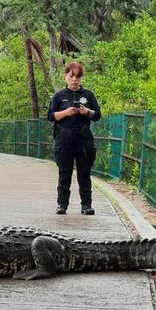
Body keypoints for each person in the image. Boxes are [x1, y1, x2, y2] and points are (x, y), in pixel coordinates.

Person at [47, 61, 101, 215]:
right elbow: (50, 116)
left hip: (83, 136)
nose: (74, 80)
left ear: (81, 78)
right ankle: (62, 204)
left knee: (84, 172)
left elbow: (97, 115)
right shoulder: (59, 96)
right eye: (71, 76)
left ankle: (86, 205)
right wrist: (65, 113)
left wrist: (87, 112)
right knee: (65, 172)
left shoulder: (88, 95)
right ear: (66, 76)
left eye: (78, 77)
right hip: (64, 136)